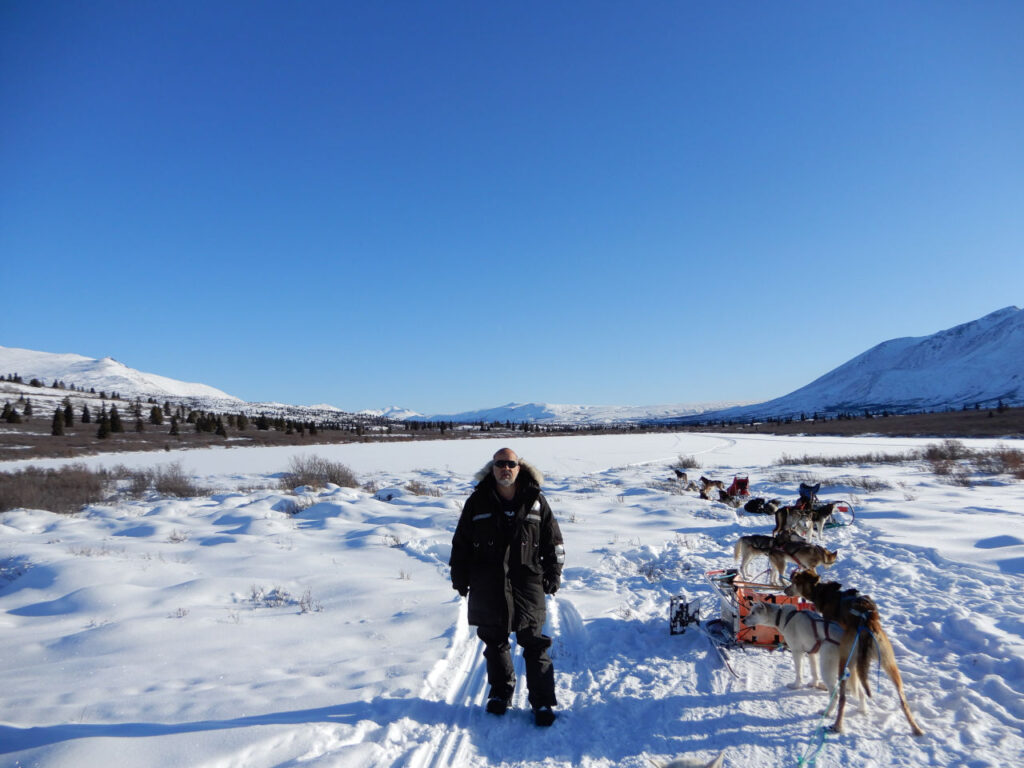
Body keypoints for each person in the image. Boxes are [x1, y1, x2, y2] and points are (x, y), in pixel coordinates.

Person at [449, 447, 565, 726]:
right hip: (488, 582)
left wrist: (554, 572)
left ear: (519, 467)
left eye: (510, 464)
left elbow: (554, 542)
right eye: (500, 463)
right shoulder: (477, 502)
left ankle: (542, 703)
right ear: (493, 467)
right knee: (495, 641)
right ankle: (501, 693)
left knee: (535, 643)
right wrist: (459, 576)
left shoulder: (536, 501)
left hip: (528, 581)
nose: (505, 468)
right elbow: (460, 544)